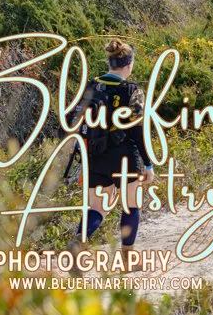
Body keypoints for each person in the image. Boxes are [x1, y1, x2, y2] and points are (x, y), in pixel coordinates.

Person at [66, 38, 155, 263]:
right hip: (125, 155)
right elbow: (137, 130)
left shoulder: (90, 86)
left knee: (97, 208)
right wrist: (148, 163)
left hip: (95, 155)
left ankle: (79, 242)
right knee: (130, 206)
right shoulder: (132, 90)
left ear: (110, 63)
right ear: (129, 65)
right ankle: (127, 258)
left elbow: (71, 119)